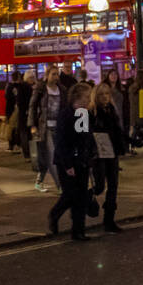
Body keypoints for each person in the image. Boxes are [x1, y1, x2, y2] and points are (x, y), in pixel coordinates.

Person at [47, 83, 98, 241]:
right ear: (77, 97)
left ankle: (78, 231)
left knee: (81, 197)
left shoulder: (83, 113)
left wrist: (90, 155)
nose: (90, 100)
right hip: (66, 161)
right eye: (87, 97)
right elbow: (62, 142)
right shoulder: (66, 114)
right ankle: (54, 215)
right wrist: (68, 164)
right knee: (70, 195)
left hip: (81, 161)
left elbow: (84, 139)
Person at [90, 82, 128, 232]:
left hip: (111, 152)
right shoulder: (91, 112)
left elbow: (118, 131)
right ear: (96, 96)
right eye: (101, 94)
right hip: (98, 154)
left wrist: (129, 141)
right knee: (99, 186)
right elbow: (84, 133)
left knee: (113, 186)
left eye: (107, 94)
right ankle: (86, 197)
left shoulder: (112, 110)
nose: (105, 97)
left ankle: (109, 220)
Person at [29, 66, 64, 192]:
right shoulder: (41, 89)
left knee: (53, 155)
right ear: (47, 75)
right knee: (51, 155)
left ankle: (39, 181)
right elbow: (32, 106)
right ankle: (60, 185)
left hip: (58, 127)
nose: (56, 77)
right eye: (53, 74)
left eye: (57, 74)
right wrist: (32, 125)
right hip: (45, 127)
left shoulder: (61, 89)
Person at [14, 71, 34, 160]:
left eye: (33, 77)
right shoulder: (27, 87)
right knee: (26, 135)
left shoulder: (23, 87)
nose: (32, 79)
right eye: (31, 78)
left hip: (24, 114)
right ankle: (28, 154)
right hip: (25, 114)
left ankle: (28, 154)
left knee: (26, 134)